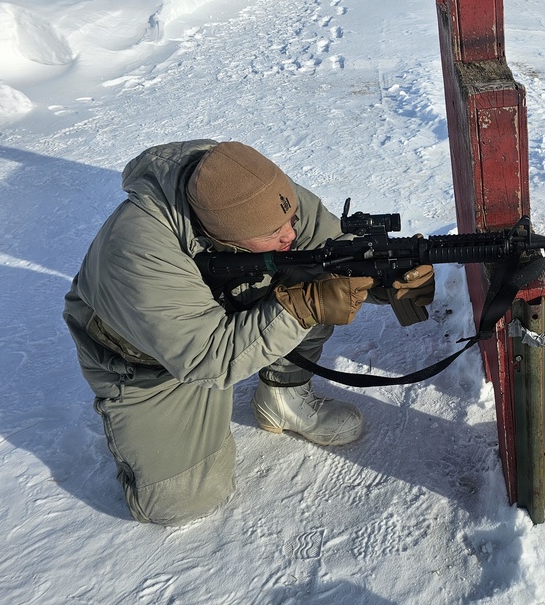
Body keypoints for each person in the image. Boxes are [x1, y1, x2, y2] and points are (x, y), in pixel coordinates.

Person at [63, 140, 434, 526]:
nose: (290, 233)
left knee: (314, 271)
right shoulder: (137, 251)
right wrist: (304, 306)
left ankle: (284, 398)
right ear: (223, 234)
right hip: (150, 362)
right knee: (182, 501)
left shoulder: (253, 186)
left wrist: (385, 280)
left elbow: (331, 249)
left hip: (219, 318)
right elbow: (208, 359)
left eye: (289, 218)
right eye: (275, 231)